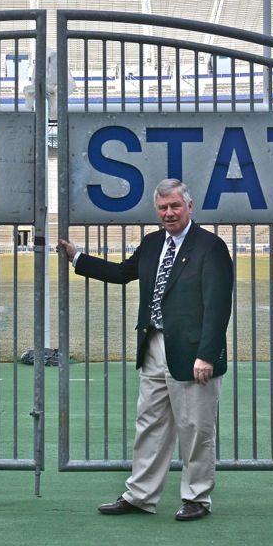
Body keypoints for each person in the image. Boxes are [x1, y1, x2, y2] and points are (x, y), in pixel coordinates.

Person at [58, 178, 233, 522]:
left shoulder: (210, 246)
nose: (169, 213)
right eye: (163, 208)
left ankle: (196, 497)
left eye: (175, 206)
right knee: (149, 423)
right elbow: (123, 272)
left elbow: (218, 304)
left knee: (196, 426)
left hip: (193, 350)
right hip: (154, 344)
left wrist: (207, 354)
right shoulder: (153, 243)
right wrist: (77, 257)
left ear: (190, 206)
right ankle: (140, 495)